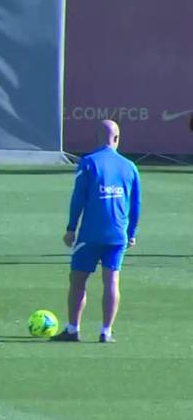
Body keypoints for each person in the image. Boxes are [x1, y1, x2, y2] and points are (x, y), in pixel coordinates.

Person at [52, 120, 140, 343]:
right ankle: (106, 332)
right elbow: (136, 204)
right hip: (117, 234)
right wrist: (131, 233)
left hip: (91, 234)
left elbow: (78, 197)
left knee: (78, 280)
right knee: (111, 281)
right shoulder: (130, 166)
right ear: (117, 139)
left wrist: (71, 228)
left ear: (97, 138)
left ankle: (73, 329)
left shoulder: (88, 162)